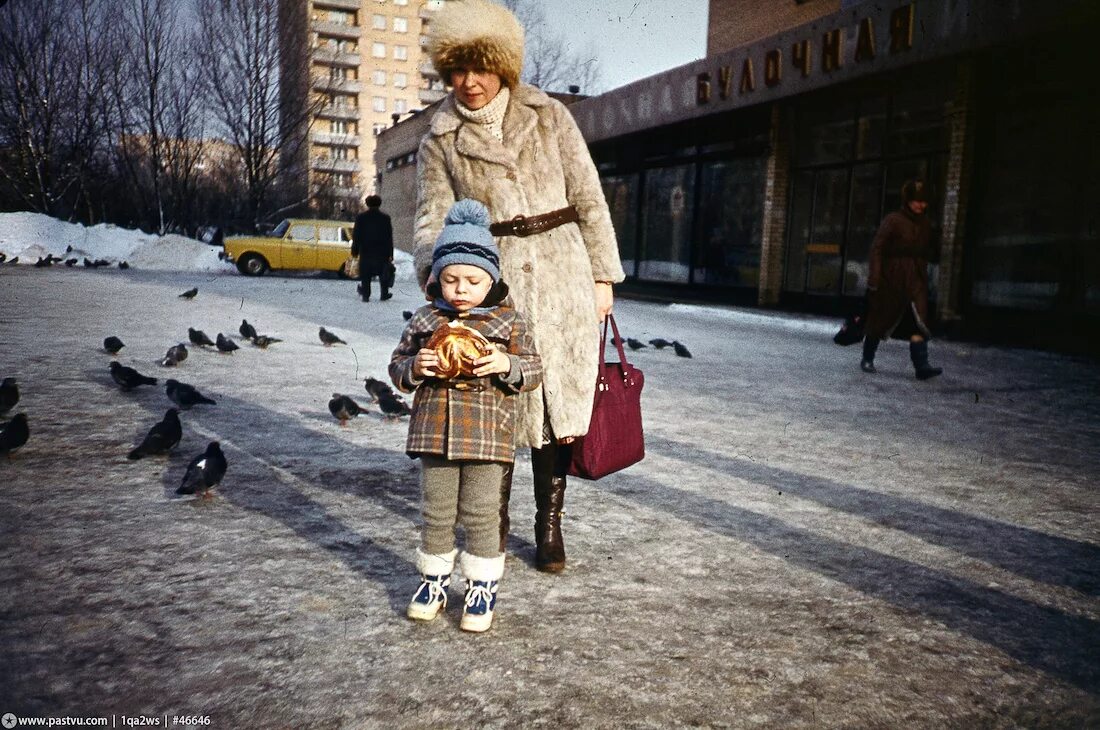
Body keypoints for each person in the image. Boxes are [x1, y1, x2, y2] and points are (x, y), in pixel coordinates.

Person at [414, 0, 625, 573]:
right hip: (492, 281)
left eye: (480, 67)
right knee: (499, 399)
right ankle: (495, 521)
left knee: (555, 405)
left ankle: (549, 524)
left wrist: (602, 275)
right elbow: (431, 221)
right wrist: (436, 279)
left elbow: (588, 196)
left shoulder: (549, 115)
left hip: (562, 274)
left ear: (502, 66)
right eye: (458, 70)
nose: (469, 82)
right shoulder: (440, 137)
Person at [390, 199, 542, 633]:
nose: (460, 289)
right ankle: (433, 581)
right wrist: (416, 366)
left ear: (491, 279)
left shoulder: (509, 322)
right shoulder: (425, 319)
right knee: (436, 512)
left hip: (487, 436)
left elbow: (533, 370)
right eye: (450, 279)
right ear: (436, 278)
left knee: (481, 513)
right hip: (435, 434)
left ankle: (481, 587)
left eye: (472, 280)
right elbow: (397, 367)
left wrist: (506, 364)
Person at [861, 179, 943, 380]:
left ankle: (921, 366)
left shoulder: (925, 224)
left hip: (916, 279)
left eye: (924, 201)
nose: (921, 205)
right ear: (908, 201)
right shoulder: (893, 220)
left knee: (919, 323)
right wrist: (875, 278)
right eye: (917, 201)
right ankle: (867, 358)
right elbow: (877, 249)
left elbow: (930, 250)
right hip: (892, 278)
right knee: (880, 320)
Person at [351, 195, 394, 302]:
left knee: (366, 274)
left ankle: (366, 295)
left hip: (366, 251)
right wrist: (390, 253)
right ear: (379, 204)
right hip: (382, 251)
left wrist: (355, 250)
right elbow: (389, 237)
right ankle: (384, 294)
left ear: (367, 204)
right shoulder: (385, 218)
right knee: (383, 272)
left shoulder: (361, 218)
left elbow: (356, 235)